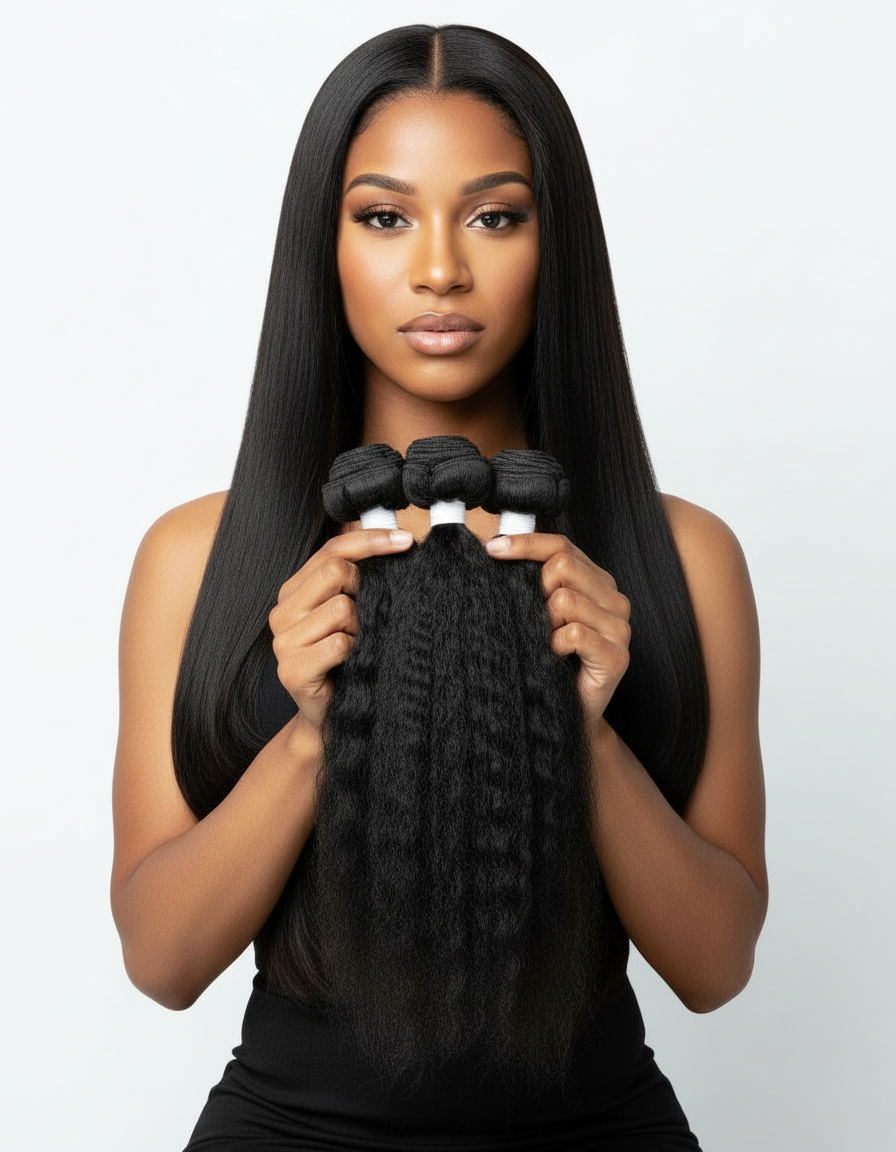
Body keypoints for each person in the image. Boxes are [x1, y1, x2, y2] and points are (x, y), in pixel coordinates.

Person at [110, 23, 767, 1151]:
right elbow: (160, 961)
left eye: (493, 216)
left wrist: (581, 728)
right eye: (384, 217)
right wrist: (314, 731)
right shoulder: (194, 555)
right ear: (323, 244)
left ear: (555, 243)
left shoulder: (684, 556)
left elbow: (715, 967)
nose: (438, 270)